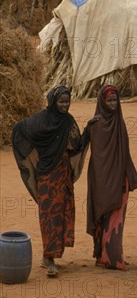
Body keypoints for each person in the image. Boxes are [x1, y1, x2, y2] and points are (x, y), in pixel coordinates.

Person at [12, 86, 88, 277]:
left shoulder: (68, 121)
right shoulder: (40, 120)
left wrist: (88, 131)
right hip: (46, 175)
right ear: (53, 102)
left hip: (63, 174)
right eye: (61, 102)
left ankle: (53, 255)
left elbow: (76, 144)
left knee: (62, 211)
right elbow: (19, 130)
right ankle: (49, 258)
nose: (65, 105)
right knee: (48, 215)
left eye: (67, 101)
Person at [86, 85, 137, 270]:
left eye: (115, 100)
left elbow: (124, 152)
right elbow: (88, 151)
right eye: (109, 100)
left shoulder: (119, 122)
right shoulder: (95, 124)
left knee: (116, 219)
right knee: (103, 217)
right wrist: (87, 127)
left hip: (119, 177)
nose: (112, 104)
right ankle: (103, 256)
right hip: (101, 180)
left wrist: (128, 175)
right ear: (102, 102)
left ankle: (113, 256)